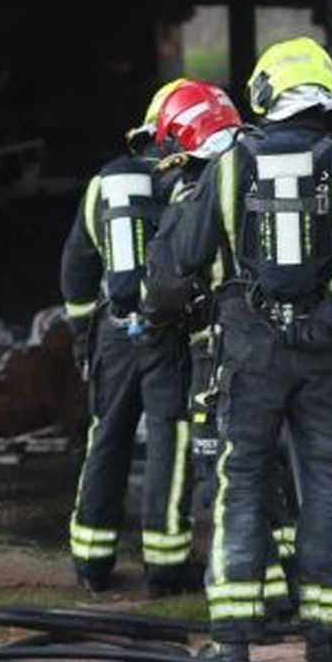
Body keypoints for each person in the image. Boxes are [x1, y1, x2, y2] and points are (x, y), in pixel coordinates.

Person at [146, 38, 332, 662]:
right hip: (326, 361)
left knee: (242, 481)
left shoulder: (230, 167)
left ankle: (232, 636)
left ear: (265, 93)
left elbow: (183, 261)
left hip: (246, 356)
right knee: (325, 482)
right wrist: (319, 325)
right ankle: (326, 635)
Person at [146, 80, 300, 612]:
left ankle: (245, 597)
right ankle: (287, 588)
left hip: (220, 349)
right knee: (270, 464)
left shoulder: (199, 189)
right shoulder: (268, 167)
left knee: (225, 471)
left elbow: (168, 281)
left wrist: (152, 314)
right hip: (286, 342)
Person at [59, 93, 197, 596]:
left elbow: (76, 266)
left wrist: (82, 334)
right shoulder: (188, 180)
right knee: (169, 437)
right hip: (166, 333)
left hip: (113, 334)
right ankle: (165, 564)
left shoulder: (105, 184)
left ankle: (92, 560)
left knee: (107, 437)